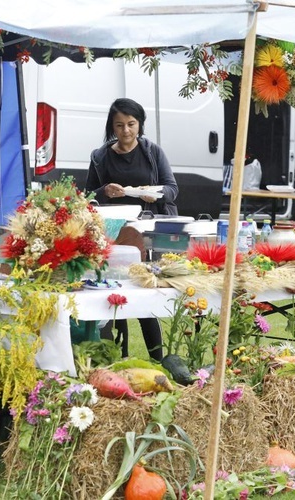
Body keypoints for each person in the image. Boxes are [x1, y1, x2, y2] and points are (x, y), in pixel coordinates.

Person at [86, 98, 179, 361]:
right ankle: (118, 357)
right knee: (115, 293)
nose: (126, 131)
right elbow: (85, 196)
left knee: (144, 299)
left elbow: (172, 189)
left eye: (131, 124)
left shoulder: (153, 152)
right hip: (114, 234)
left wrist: (156, 195)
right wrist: (104, 192)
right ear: (112, 127)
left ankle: (158, 359)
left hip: (146, 235)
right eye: (119, 125)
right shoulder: (100, 156)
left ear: (139, 125)